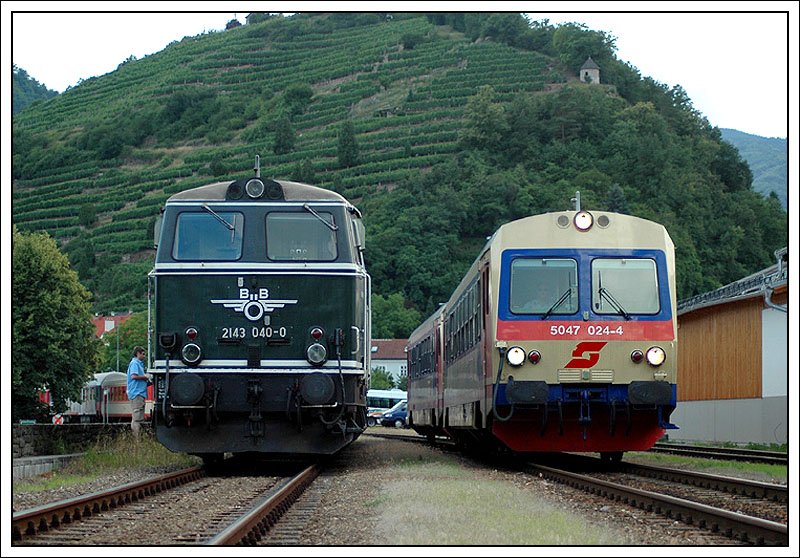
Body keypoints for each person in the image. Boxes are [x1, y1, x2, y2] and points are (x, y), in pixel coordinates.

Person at [126, 346, 151, 437]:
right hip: (136, 393)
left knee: (139, 417)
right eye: (143, 354)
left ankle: (138, 437)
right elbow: (134, 376)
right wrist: (145, 377)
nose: (144, 356)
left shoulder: (139, 364)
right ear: (138, 353)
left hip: (140, 392)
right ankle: (137, 437)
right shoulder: (135, 363)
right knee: (137, 417)